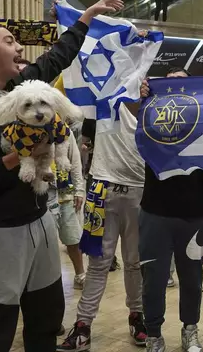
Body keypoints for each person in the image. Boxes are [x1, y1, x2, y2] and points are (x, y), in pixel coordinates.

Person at [0, 0, 123, 352]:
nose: (19, 47)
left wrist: (86, 17)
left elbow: (57, 57)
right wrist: (19, 157)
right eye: (9, 41)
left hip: (40, 223)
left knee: (47, 319)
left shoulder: (22, 87)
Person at [58, 104, 148, 350]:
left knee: (134, 261)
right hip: (101, 188)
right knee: (99, 263)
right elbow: (82, 140)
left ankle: (137, 316)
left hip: (140, 190)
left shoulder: (152, 105)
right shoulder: (102, 102)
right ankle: (83, 324)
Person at [138, 67, 203, 352]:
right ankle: (153, 332)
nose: (175, 86)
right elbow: (129, 114)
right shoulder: (150, 116)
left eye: (182, 81)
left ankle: (190, 329)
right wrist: (139, 98)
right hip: (155, 212)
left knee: (192, 279)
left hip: (194, 215)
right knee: (153, 281)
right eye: (168, 83)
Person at [47, 128, 86, 288]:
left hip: (65, 192)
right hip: (42, 193)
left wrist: (79, 189)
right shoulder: (30, 129)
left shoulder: (64, 131)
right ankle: (47, 280)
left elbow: (75, 162)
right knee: (46, 242)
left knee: (73, 237)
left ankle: (80, 275)